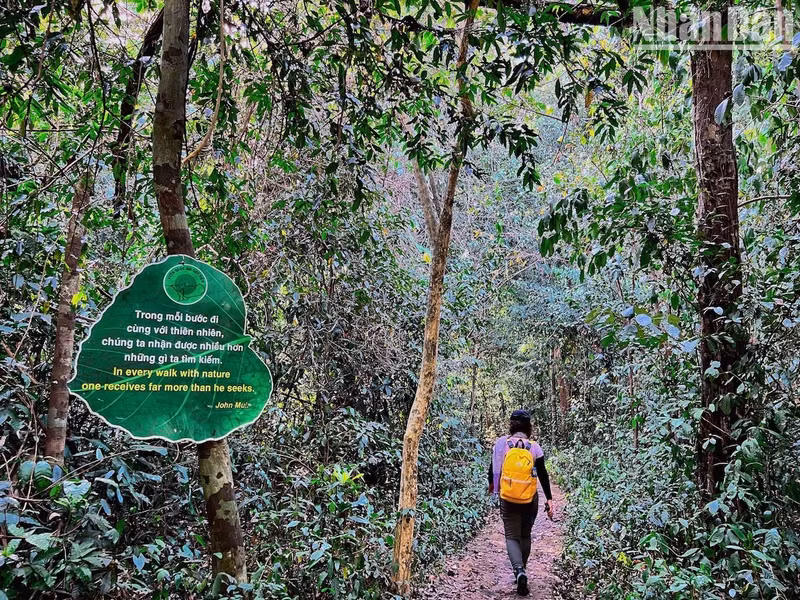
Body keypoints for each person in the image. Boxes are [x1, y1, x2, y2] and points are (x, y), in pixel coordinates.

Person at [488, 409, 554, 597]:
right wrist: (549, 499)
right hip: (529, 498)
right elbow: (543, 474)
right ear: (529, 427)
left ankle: (518, 571)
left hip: (507, 497)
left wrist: (492, 486)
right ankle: (522, 569)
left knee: (511, 536)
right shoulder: (535, 447)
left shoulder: (501, 444)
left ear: (511, 425)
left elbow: (492, 468)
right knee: (525, 535)